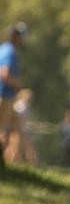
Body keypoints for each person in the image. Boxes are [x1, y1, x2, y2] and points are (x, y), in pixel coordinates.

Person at [0, 23, 27, 166]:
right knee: (2, 129)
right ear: (16, 37)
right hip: (4, 96)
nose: (24, 39)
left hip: (9, 97)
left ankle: (13, 162)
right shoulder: (9, 51)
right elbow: (4, 74)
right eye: (22, 36)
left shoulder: (4, 49)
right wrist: (18, 83)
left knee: (18, 129)